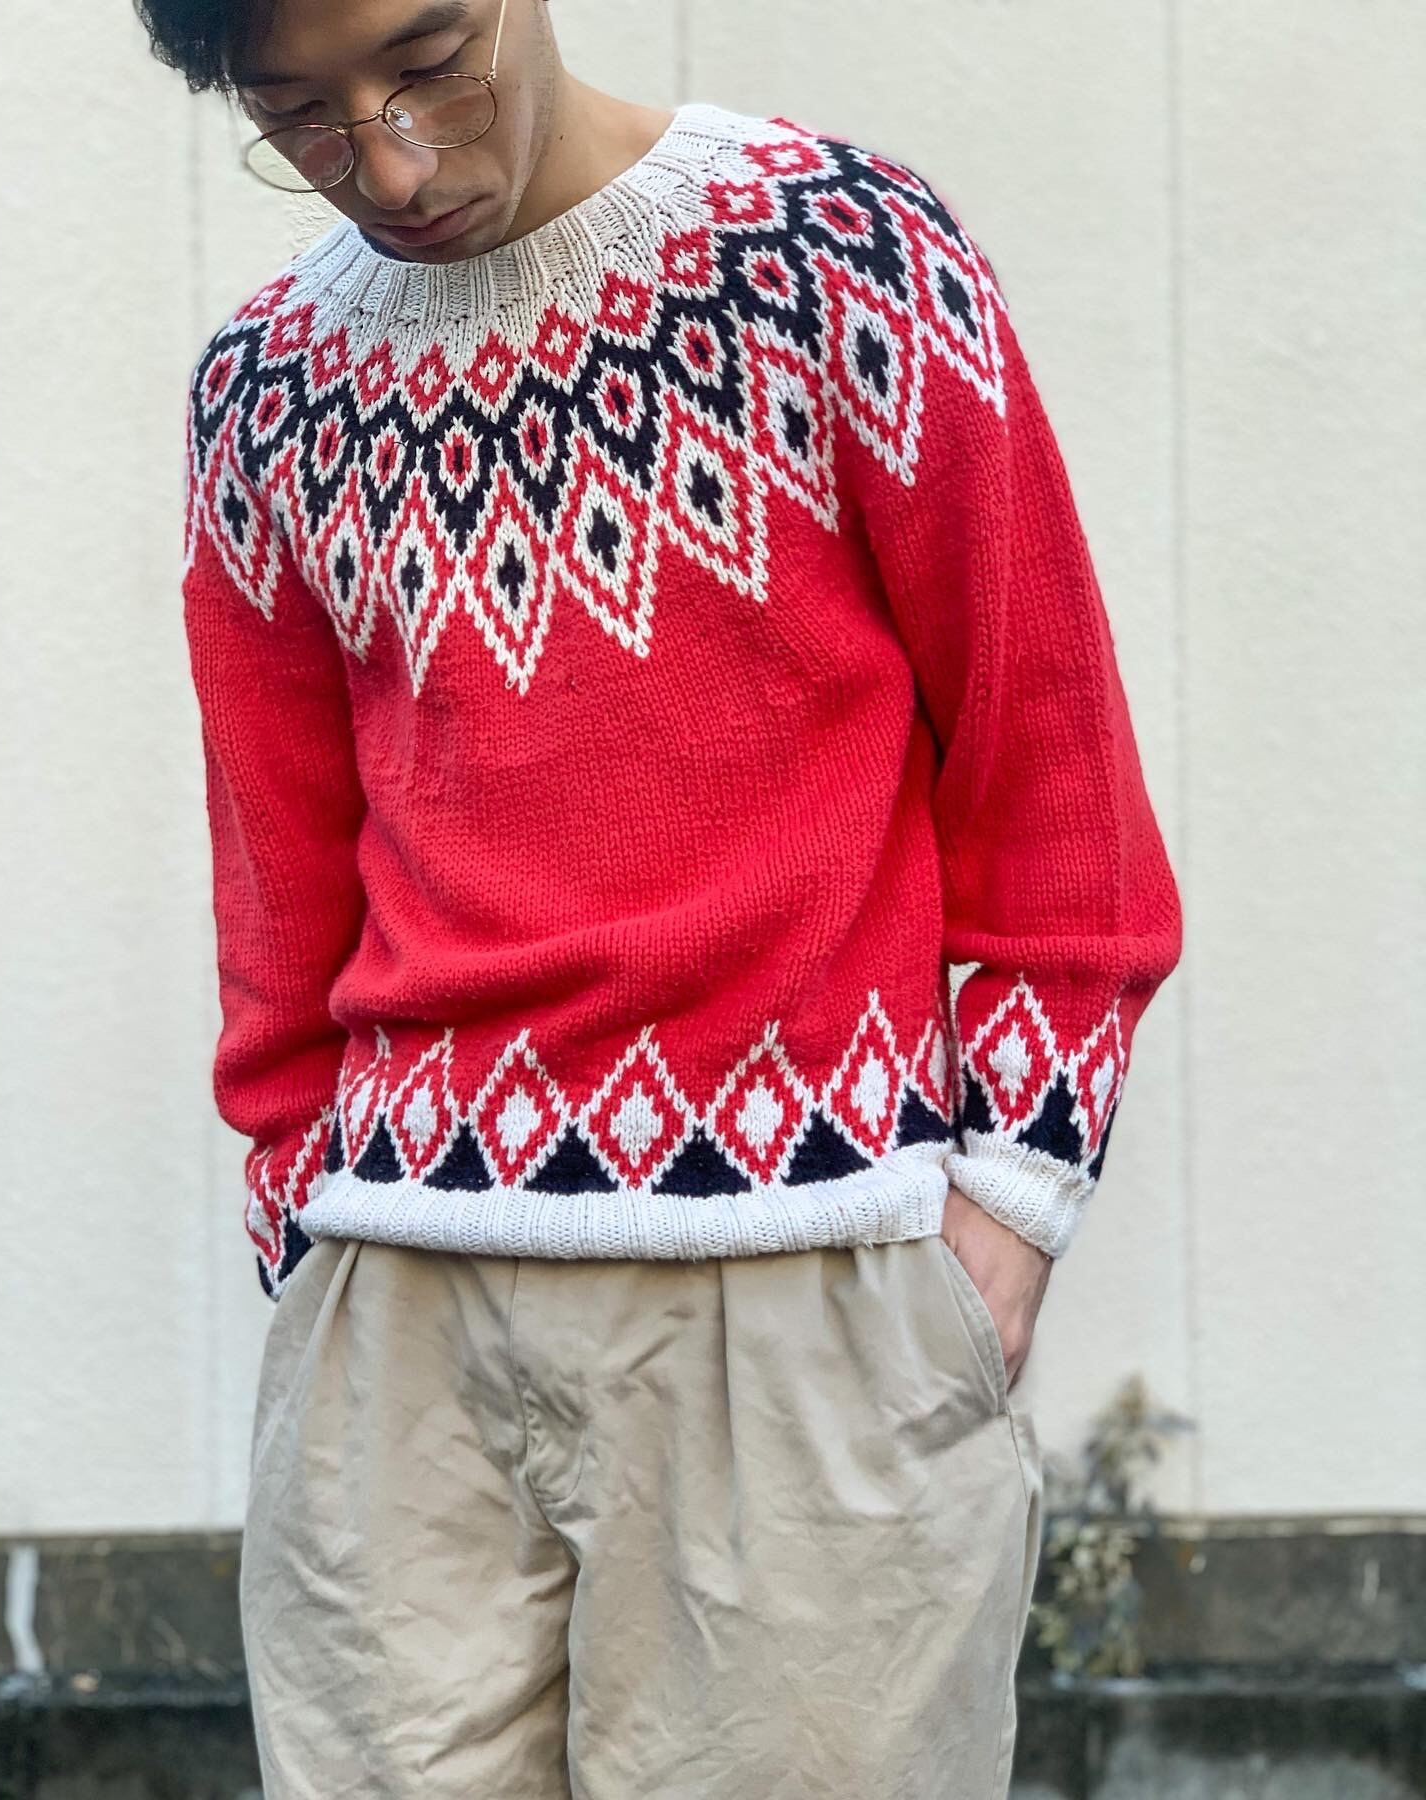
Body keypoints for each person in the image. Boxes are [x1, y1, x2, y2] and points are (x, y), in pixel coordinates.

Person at [137, 0, 1184, 1791]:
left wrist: (1010, 1202)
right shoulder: (267, 386)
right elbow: (278, 867)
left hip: (802, 1281)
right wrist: (301, 1228)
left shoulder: (834, 254)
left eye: (429, 61)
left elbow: (1048, 755)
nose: (390, 161)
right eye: (297, 114)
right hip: (397, 1303)